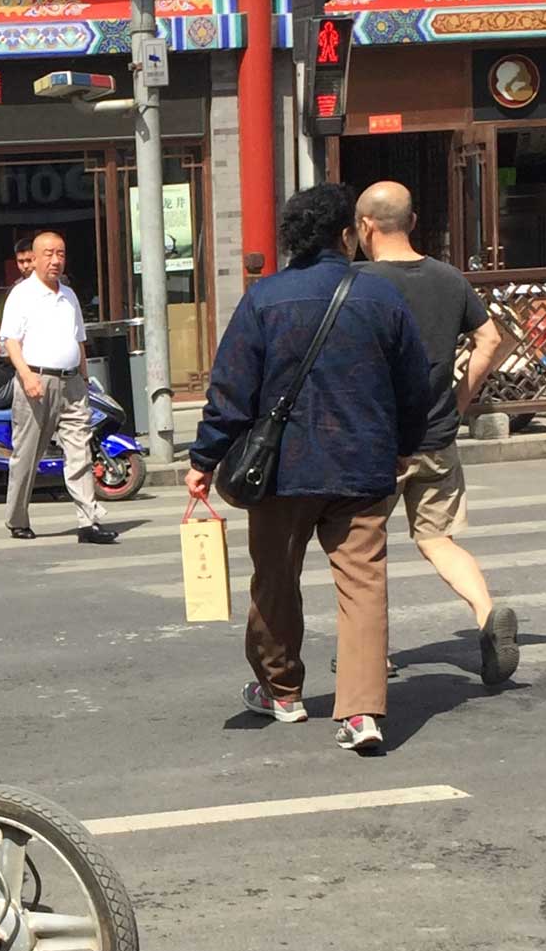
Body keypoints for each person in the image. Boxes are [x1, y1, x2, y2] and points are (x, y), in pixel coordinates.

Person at [185, 184, 429, 755]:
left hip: (281, 471)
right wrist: (405, 445)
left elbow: (231, 390)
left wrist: (204, 458)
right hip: (363, 465)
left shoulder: (264, 300)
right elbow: (416, 386)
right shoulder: (383, 299)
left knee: (274, 578)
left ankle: (282, 691)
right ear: (347, 234)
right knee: (364, 587)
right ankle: (362, 712)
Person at [355, 182, 520, 686]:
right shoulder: (449, 279)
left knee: (364, 549)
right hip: (437, 433)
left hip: (376, 440)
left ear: (365, 227)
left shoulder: (359, 282)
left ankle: (374, 654)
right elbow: (490, 338)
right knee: (437, 539)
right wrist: (460, 398)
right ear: (413, 221)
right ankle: (486, 614)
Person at [0, 231, 117, 545]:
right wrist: (26, 375)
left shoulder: (69, 296)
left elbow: (79, 340)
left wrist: (84, 377)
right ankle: (17, 518)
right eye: (48, 254)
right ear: (34, 259)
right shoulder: (21, 295)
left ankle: (88, 522)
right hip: (37, 381)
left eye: (60, 254)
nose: (55, 260)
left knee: (80, 451)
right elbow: (10, 340)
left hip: (72, 384)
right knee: (27, 454)